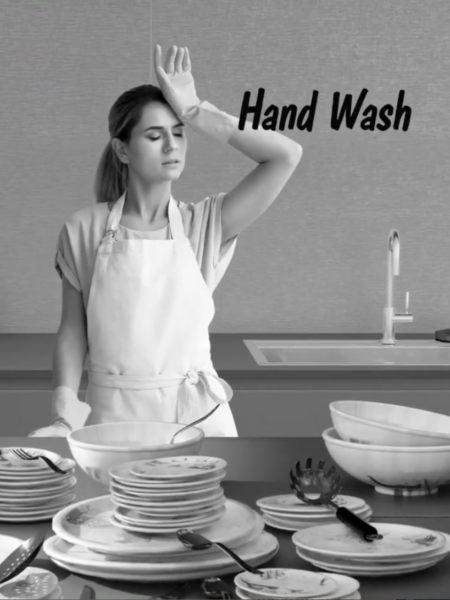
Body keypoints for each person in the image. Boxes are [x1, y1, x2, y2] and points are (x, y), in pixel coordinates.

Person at [29, 44, 302, 438]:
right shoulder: (83, 229)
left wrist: (194, 109)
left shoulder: (206, 223)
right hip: (112, 421)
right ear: (122, 150)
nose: (172, 146)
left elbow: (286, 156)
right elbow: (73, 329)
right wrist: (63, 414)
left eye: (179, 133)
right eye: (155, 136)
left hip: (198, 421)